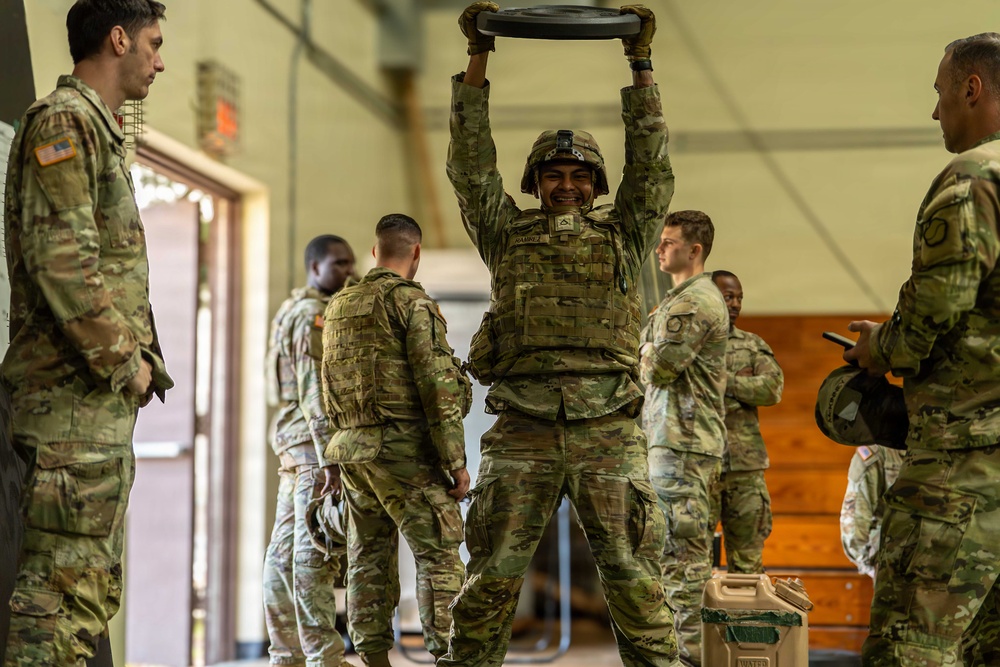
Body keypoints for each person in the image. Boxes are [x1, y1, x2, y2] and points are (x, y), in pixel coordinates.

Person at [439, 4, 680, 666]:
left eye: (579, 177)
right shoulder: (504, 232)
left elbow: (653, 169)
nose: (567, 186)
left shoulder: (625, 236)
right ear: (537, 183)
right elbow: (469, 166)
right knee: (489, 583)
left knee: (637, 584)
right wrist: (478, 58)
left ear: (595, 187)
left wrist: (640, 64)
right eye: (554, 175)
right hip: (523, 427)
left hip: (610, 428)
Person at [1, 1, 172, 664]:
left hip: (89, 410)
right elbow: (61, 260)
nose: (160, 61)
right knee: (56, 606)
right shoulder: (66, 122)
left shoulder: (95, 128)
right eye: (154, 44)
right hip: (70, 407)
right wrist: (127, 362)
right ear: (118, 37)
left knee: (83, 599)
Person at [844, 33, 1000, 665]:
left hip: (962, 472)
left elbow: (934, 313)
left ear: (973, 87)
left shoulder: (971, 180)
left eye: (940, 94)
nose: (935, 112)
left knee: (909, 651)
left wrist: (875, 348)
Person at [321, 214, 470, 667]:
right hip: (402, 449)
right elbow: (437, 387)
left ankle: (373, 659)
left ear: (374, 252)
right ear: (416, 254)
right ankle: (450, 656)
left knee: (367, 554)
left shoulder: (339, 305)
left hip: (352, 451)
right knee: (440, 555)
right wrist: (455, 462)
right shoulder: (411, 304)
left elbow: (327, 383)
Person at [263, 235, 357, 667]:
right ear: (315, 268)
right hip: (312, 446)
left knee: (283, 553)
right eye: (338, 264)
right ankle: (325, 658)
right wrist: (331, 457)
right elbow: (314, 393)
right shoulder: (314, 316)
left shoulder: (291, 308)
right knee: (314, 553)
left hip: (293, 442)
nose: (348, 272)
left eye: (350, 263)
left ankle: (286, 656)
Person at [640, 211, 728, 666]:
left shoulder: (691, 303)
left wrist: (640, 346)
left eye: (669, 242)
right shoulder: (682, 299)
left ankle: (690, 658)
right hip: (678, 442)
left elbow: (660, 367)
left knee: (680, 559)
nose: (660, 249)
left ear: (694, 251)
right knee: (677, 554)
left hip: (682, 445)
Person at [708, 270, 783, 575]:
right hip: (701, 465)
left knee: (748, 566)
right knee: (693, 565)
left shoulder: (752, 345)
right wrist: (742, 386)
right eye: (729, 297)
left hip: (745, 467)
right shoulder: (692, 346)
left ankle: (745, 624)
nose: (736, 303)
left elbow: (772, 388)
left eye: (739, 297)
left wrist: (724, 383)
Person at [839, 444, 904, 580]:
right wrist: (870, 565)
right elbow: (855, 519)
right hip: (894, 564)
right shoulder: (877, 453)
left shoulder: (944, 444)